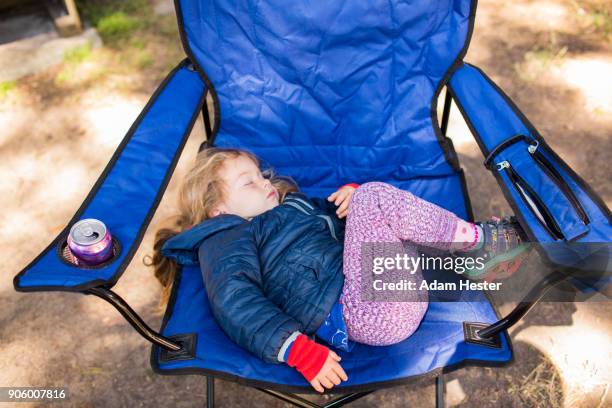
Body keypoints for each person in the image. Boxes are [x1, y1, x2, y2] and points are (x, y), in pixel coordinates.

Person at [145, 147, 528, 393]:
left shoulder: (293, 208)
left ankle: (473, 263)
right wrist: (294, 349)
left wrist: (345, 203)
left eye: (262, 174)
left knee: (371, 202)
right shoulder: (225, 238)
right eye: (249, 182)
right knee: (374, 196)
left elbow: (347, 233)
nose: (265, 183)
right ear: (219, 210)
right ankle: (482, 241)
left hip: (380, 282)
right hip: (365, 311)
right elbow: (235, 299)